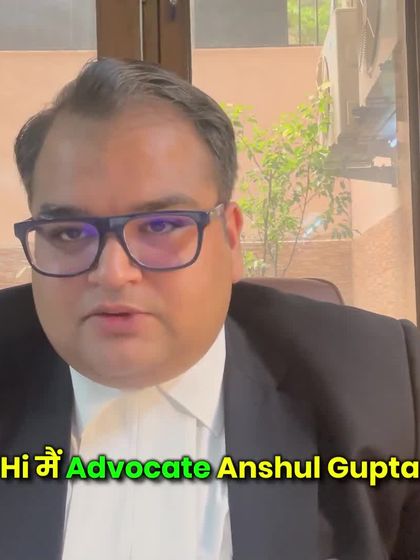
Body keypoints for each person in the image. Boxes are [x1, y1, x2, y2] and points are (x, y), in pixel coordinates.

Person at [0, 58, 419, 560]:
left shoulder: (388, 385)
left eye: (160, 226)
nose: (112, 273)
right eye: (68, 233)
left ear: (231, 238)